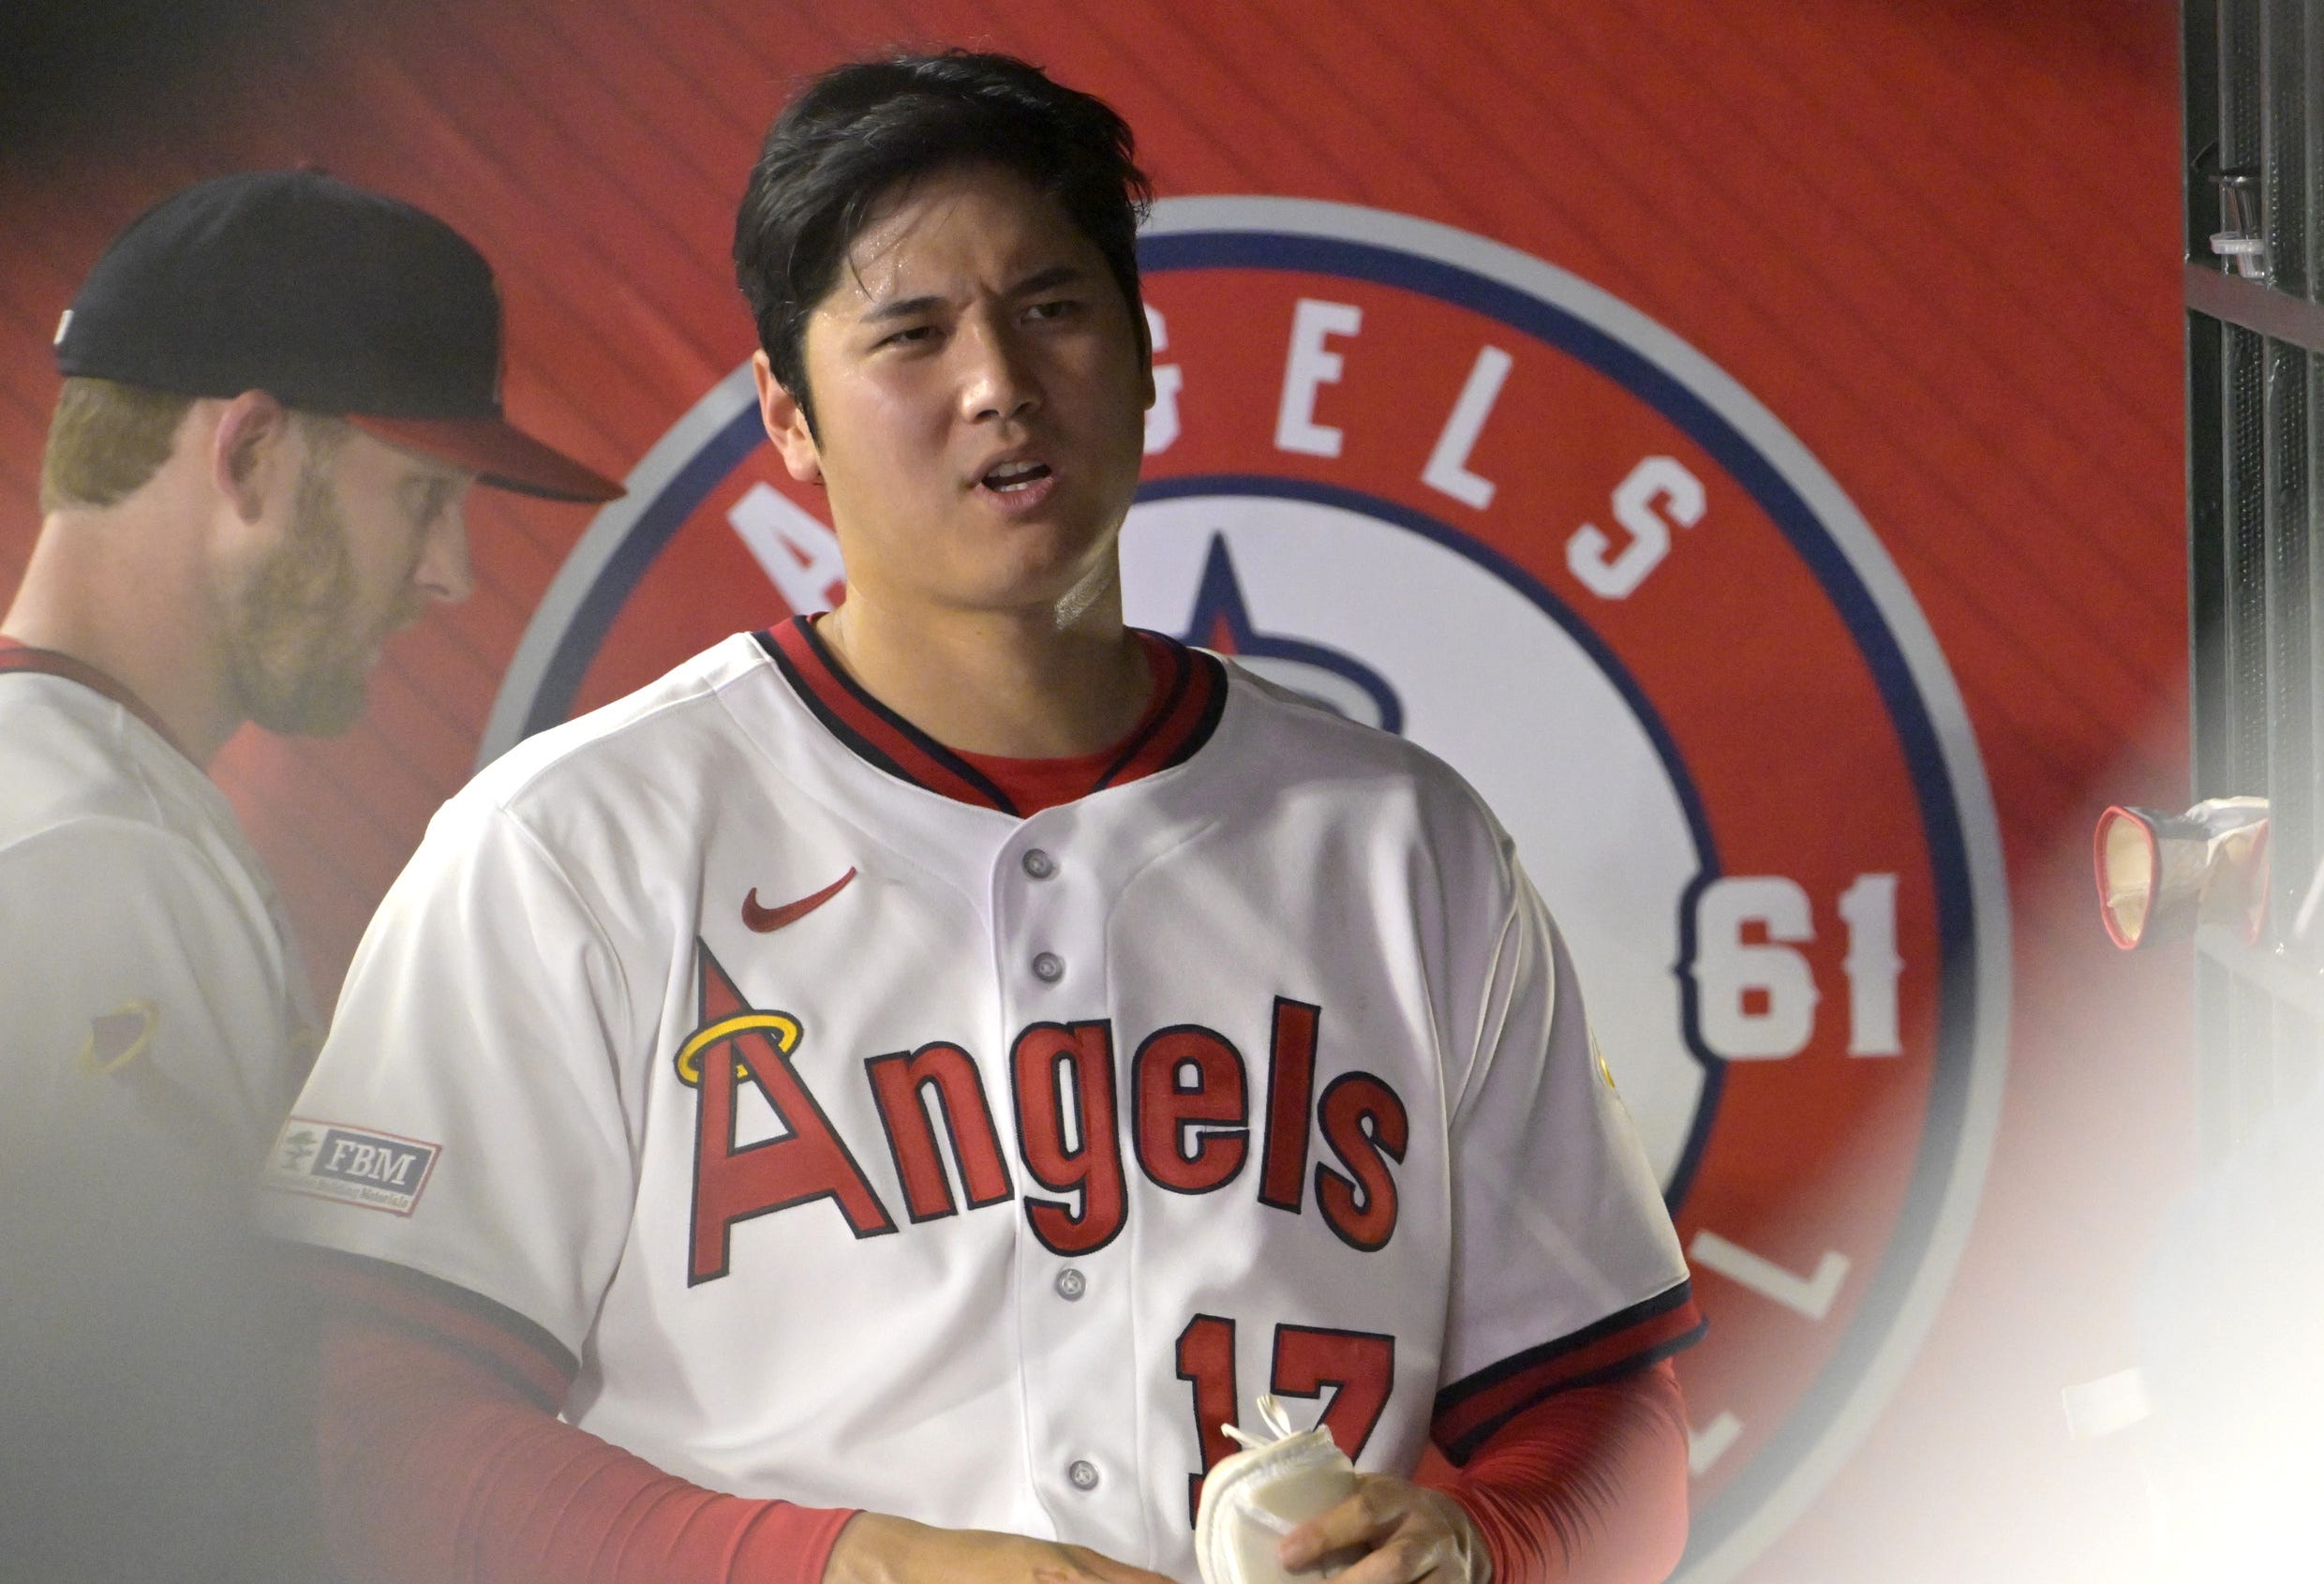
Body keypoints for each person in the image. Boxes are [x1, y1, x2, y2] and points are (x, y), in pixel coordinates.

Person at [262, 52, 1702, 1584]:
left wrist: (1479, 1548)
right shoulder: (571, 847)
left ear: (1145, 355)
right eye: (909, 333)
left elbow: (1604, 1408)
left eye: (1052, 308)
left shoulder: (1405, 851)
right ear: (789, 415)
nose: (998, 382)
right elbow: (371, 1432)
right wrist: (845, 1566)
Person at [0, 168, 619, 1583]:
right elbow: (152, 1476)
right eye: (422, 496)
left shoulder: (80, 801)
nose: (453, 571)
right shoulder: (97, 856)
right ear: (253, 456)